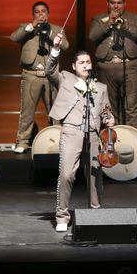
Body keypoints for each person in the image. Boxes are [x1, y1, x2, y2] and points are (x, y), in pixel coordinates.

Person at [46, 33, 114, 232]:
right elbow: (50, 70)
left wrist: (110, 119)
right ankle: (62, 216)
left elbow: (107, 111)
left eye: (88, 62)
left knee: (94, 176)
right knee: (67, 174)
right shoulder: (66, 78)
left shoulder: (100, 88)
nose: (86, 65)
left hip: (93, 135)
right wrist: (55, 48)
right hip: (72, 132)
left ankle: (95, 213)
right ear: (74, 66)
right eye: (82, 62)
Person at [10, 1, 69, 153]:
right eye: (37, 12)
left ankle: (58, 140)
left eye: (43, 12)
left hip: (51, 76)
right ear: (33, 14)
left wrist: (49, 33)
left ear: (48, 14)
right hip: (31, 75)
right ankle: (22, 141)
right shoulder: (26, 28)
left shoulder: (56, 29)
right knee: (27, 110)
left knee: (55, 110)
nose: (40, 14)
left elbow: (66, 46)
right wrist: (32, 25)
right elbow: (14, 38)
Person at [89, 0, 137, 130]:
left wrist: (126, 25)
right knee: (109, 108)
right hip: (107, 68)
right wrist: (109, 22)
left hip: (129, 67)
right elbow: (92, 36)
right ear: (108, 4)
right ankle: (112, 143)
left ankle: (133, 142)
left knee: (131, 107)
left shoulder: (135, 18)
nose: (116, 6)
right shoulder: (99, 19)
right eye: (113, 3)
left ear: (125, 4)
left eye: (119, 3)